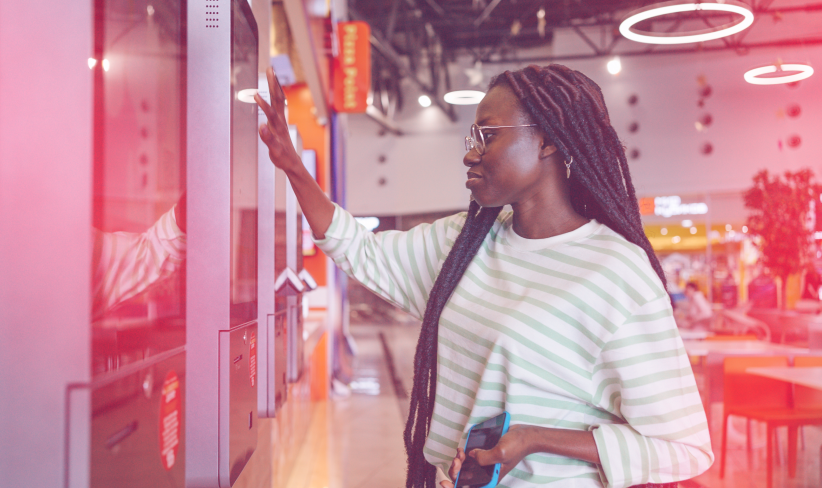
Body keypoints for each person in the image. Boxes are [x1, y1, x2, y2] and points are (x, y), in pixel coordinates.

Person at [256, 64, 712, 488]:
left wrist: (536, 438)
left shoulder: (615, 273)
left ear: (548, 140)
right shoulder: (465, 242)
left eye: (488, 136)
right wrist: (294, 169)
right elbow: (359, 249)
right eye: (473, 136)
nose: (469, 154)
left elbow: (683, 447)